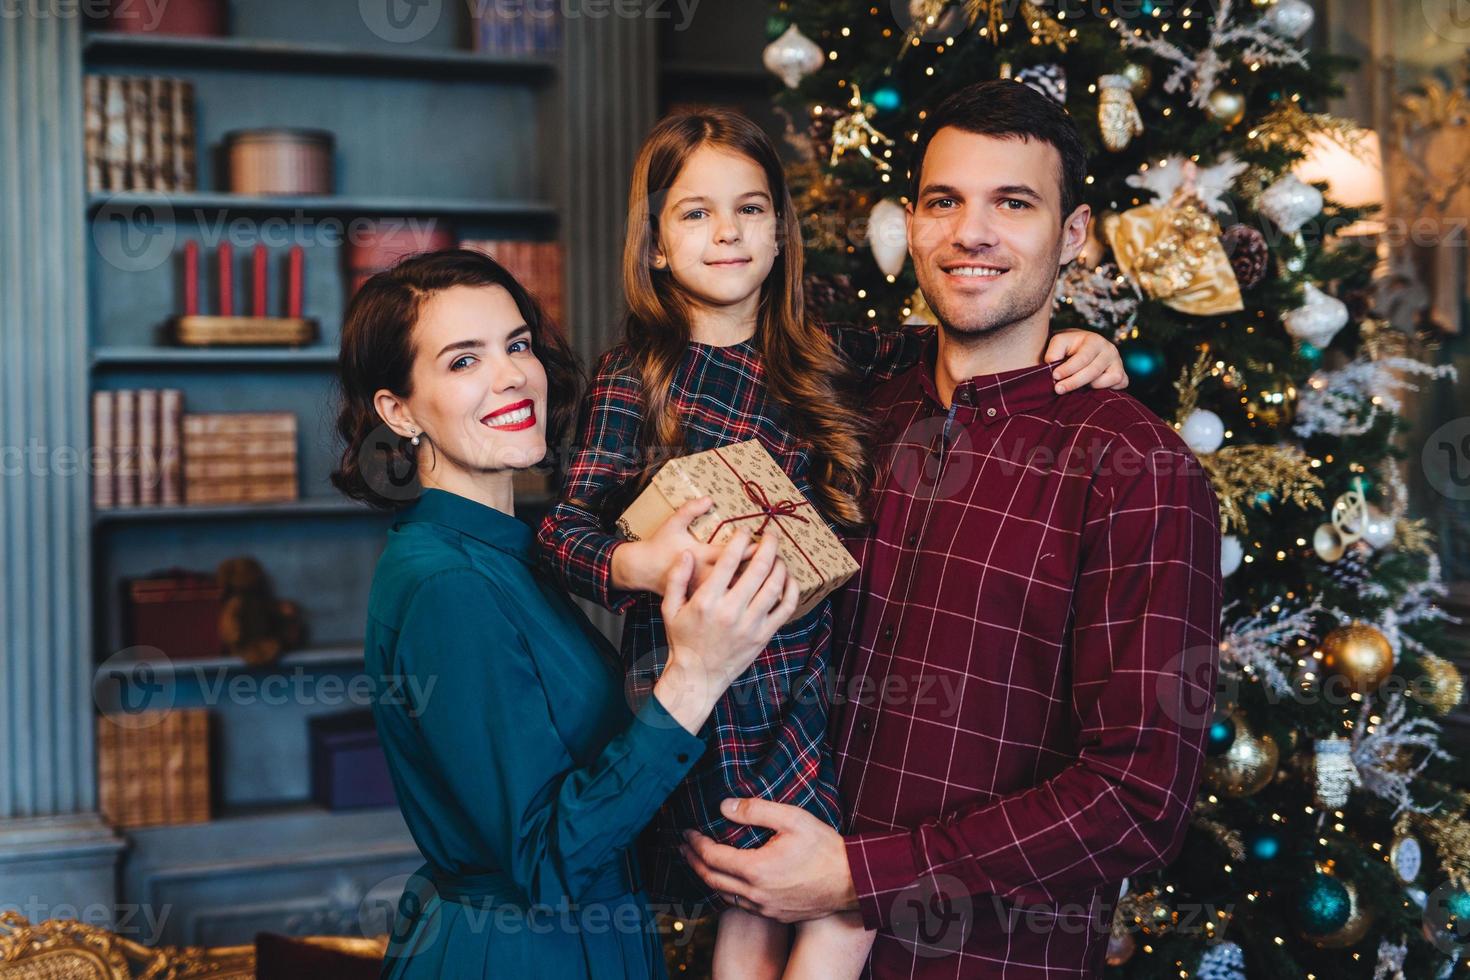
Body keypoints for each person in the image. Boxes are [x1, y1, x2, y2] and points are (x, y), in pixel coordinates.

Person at [538, 106, 1131, 978]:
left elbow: (974, 330)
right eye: (695, 213)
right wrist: (641, 561)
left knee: (800, 880)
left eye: (749, 210)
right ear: (656, 245)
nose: (727, 232)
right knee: (772, 886)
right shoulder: (639, 377)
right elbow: (562, 529)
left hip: (811, 673)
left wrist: (1080, 344)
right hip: (714, 684)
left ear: (781, 235)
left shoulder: (823, 352)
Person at [681, 80, 1224, 978]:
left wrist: (858, 877)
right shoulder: (844, 408)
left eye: (1013, 204)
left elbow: (1138, 799)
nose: (972, 233)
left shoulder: (1139, 470)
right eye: (945, 201)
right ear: (912, 223)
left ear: (1074, 236)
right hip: (763, 936)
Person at [330, 249, 800, 979]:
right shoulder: (447, 584)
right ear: (398, 410)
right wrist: (696, 673)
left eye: (517, 345)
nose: (511, 374)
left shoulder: (510, 554)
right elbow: (548, 861)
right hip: (520, 956)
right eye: (462, 362)